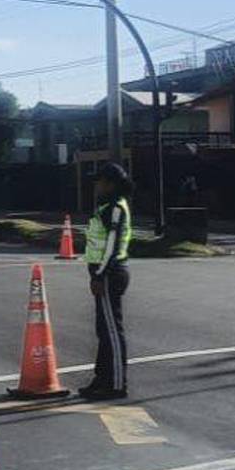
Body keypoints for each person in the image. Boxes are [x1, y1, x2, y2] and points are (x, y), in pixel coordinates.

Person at [80, 163, 134, 401]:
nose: (96, 186)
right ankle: (101, 378)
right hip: (104, 273)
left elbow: (111, 247)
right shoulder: (105, 207)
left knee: (112, 331)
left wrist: (99, 275)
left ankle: (116, 384)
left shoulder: (115, 208)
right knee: (103, 330)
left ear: (110, 184)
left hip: (110, 274)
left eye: (100, 181)